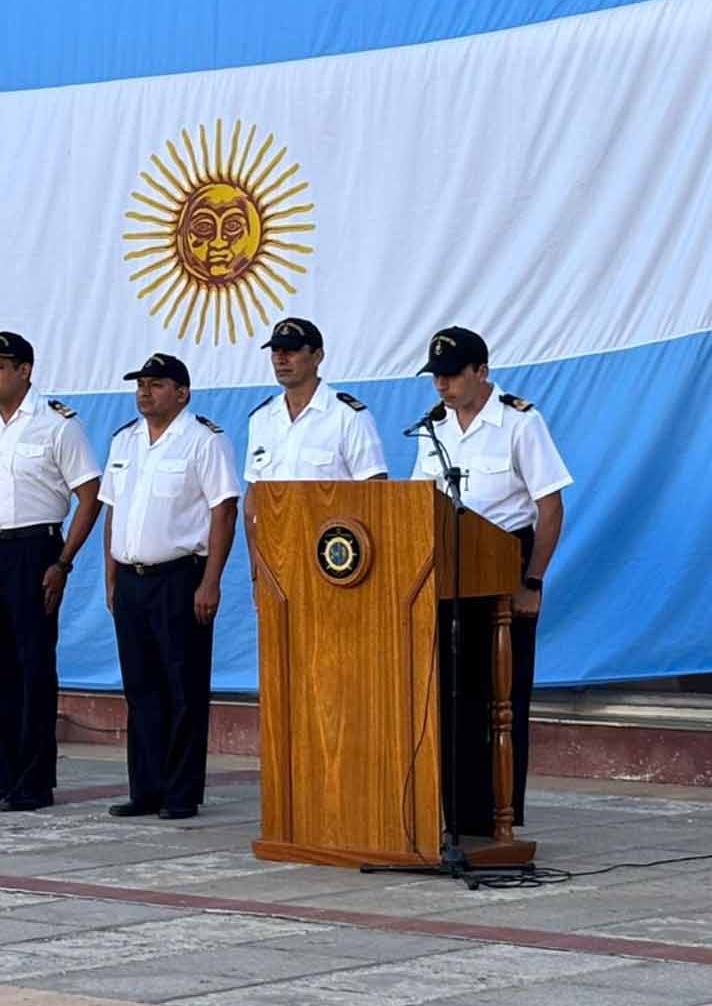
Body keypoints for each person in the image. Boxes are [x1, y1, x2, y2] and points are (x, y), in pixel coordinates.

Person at [413, 326, 570, 829]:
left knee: (501, 694)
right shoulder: (434, 426)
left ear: (482, 371)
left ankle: (500, 812)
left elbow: (549, 507)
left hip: (504, 564)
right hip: (449, 569)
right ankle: (458, 810)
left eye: (453, 375)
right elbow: (421, 503)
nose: (443, 385)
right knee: (451, 692)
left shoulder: (520, 422)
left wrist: (532, 582)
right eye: (437, 376)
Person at [0, 331, 101, 812]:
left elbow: (90, 494)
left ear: (25, 370)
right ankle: (2, 776)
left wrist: (63, 561)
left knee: (32, 668)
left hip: (35, 549)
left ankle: (34, 781)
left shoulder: (56, 424)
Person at [102, 353, 239, 821]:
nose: (145, 392)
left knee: (182, 686)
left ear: (181, 393)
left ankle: (180, 793)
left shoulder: (203, 440)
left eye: (156, 384)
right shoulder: (125, 441)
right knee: (140, 688)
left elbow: (224, 510)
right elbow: (112, 511)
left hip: (181, 577)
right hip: (133, 579)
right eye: (140, 384)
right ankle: (146, 788)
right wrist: (111, 573)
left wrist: (211, 581)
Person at [244, 317, 387, 489]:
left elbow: (375, 490)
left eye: (291, 350)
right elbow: (254, 492)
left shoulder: (347, 415)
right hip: (275, 516)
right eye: (276, 350)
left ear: (317, 356)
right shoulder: (261, 419)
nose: (281, 359)